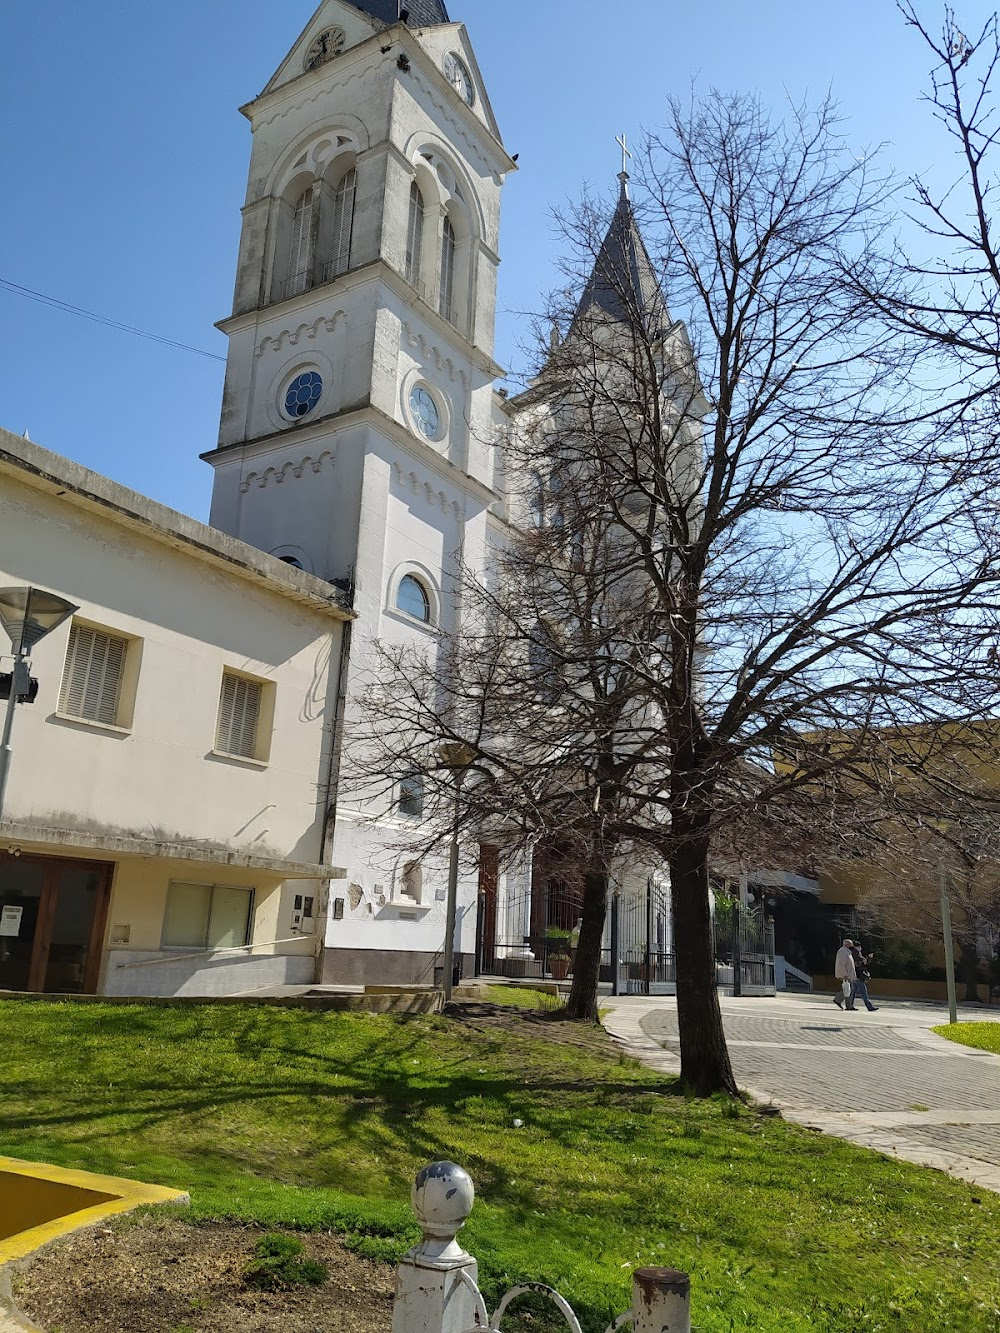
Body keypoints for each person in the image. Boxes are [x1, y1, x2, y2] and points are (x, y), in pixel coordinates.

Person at [849, 942, 878, 1013]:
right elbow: (863, 963)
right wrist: (868, 958)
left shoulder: (854, 953)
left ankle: (850, 1005)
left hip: (855, 975)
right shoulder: (856, 954)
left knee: (853, 991)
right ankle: (869, 1007)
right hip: (858, 975)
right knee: (863, 991)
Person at [834, 937, 857, 1009]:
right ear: (847, 944)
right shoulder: (842, 951)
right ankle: (838, 1000)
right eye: (850, 944)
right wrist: (844, 974)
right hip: (846, 974)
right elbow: (841, 964)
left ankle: (848, 1005)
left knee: (848, 989)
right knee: (848, 989)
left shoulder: (847, 951)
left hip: (849, 974)